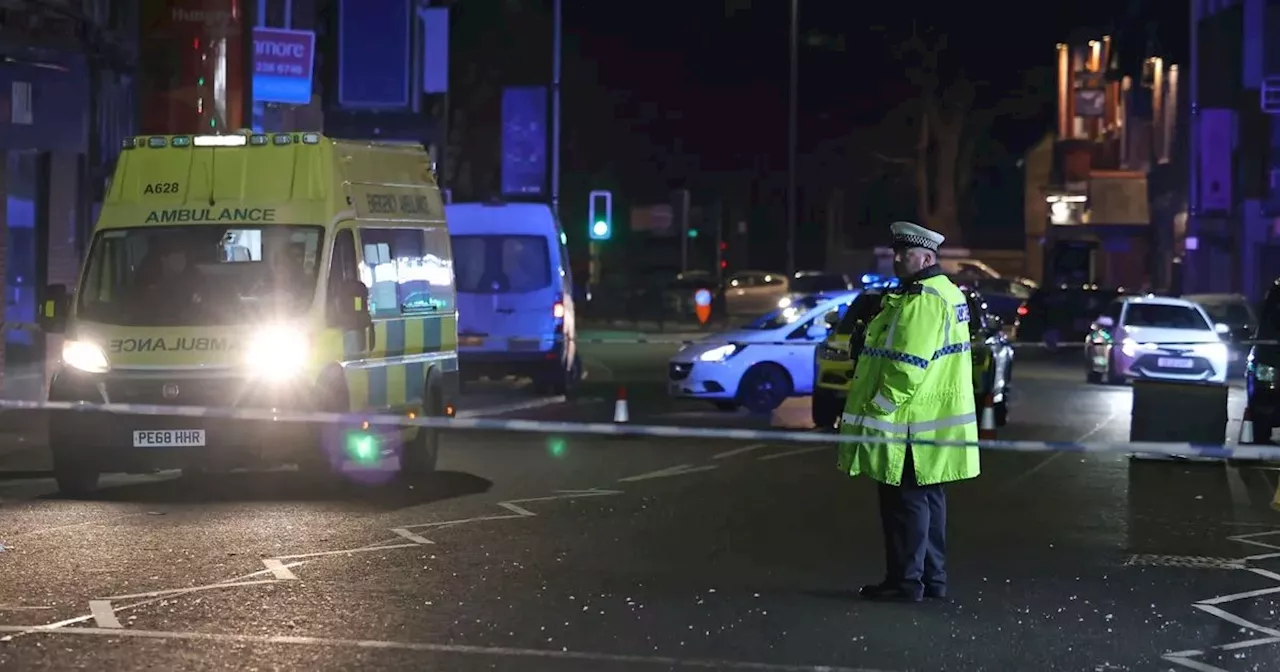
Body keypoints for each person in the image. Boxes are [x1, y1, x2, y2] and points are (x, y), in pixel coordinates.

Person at [837, 221, 981, 603]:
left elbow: (906, 365)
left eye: (905, 253)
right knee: (929, 502)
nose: (897, 258)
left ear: (927, 257)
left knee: (904, 507)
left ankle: (905, 582)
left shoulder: (924, 301)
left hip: (908, 423)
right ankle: (932, 580)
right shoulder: (944, 294)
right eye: (896, 251)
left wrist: (879, 407)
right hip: (931, 418)